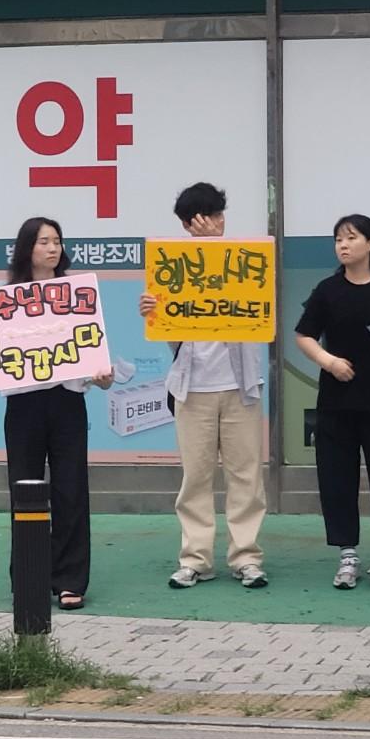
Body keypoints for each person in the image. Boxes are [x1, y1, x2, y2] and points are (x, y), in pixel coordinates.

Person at [0, 216, 113, 611]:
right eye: (44, 241)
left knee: (71, 490)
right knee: (24, 490)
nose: (52, 248)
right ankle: (30, 576)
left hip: (67, 403)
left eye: (57, 241)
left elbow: (97, 366)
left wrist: (103, 377)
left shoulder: (77, 295)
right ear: (27, 247)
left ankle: (70, 580)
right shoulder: (4, 301)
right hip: (24, 406)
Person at [140, 182, 268, 589]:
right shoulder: (170, 268)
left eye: (217, 215)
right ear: (186, 224)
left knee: (246, 475)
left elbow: (261, 314)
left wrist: (215, 246)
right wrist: (152, 311)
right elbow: (169, 333)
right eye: (204, 217)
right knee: (195, 477)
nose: (214, 223)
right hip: (191, 387)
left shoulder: (246, 261)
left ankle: (246, 557)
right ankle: (196, 559)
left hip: (240, 386)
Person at [294, 213, 370, 589]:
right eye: (338, 240)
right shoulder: (327, 290)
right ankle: (347, 554)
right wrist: (328, 361)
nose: (343, 246)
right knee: (336, 479)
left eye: (351, 238)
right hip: (336, 402)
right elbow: (304, 335)